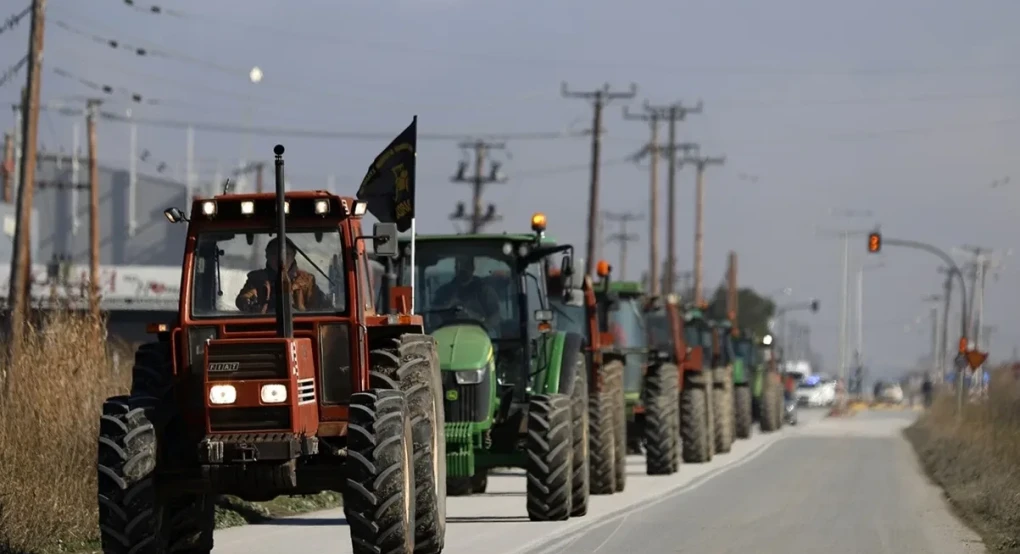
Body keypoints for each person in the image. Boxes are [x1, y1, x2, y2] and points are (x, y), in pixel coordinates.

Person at [236, 237, 328, 313]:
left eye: (287, 254)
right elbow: (244, 298)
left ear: (293, 256)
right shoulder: (257, 279)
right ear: (267, 256)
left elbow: (319, 307)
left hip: (299, 324)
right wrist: (248, 303)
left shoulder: (306, 280)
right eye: (274, 254)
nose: (281, 259)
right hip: (265, 324)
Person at [431, 256, 502, 329]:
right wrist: (448, 308)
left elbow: (495, 320)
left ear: (472, 267)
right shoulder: (443, 292)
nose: (461, 268)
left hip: (479, 337)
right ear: (455, 267)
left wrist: (473, 316)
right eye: (458, 265)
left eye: (465, 265)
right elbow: (433, 319)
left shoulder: (485, 292)